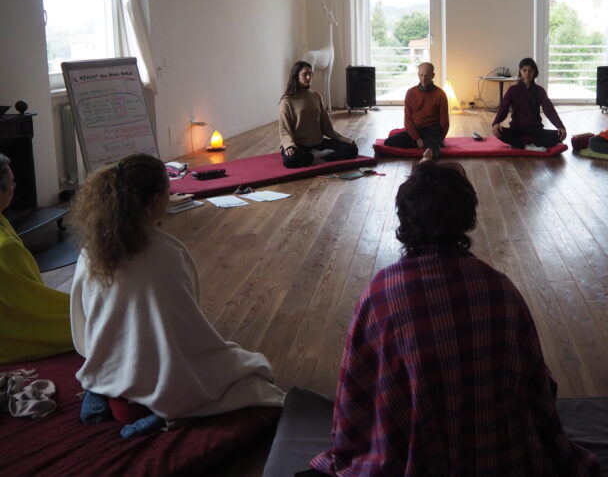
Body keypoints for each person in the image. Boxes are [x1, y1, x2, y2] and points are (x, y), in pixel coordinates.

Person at [310, 161, 599, 475]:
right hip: (503, 458)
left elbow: (355, 392)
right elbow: (538, 385)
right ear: (466, 218)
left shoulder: (382, 294)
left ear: (405, 219)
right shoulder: (501, 289)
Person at [69, 153, 284, 436]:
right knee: (254, 371)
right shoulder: (166, 254)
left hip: (107, 372)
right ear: (157, 201)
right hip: (155, 393)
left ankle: (101, 388)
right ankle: (165, 415)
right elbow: (185, 335)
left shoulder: (91, 250)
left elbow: (82, 318)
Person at [0, 153, 73, 364]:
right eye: (11, 182)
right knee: (92, 318)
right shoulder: (6, 247)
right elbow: (31, 303)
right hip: (8, 334)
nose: (15, 186)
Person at [279, 60, 358, 168]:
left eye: (310, 74)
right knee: (290, 161)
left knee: (352, 150)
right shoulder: (287, 101)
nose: (308, 77)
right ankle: (317, 156)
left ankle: (317, 157)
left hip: (318, 143)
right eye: (304, 74)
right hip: (298, 144)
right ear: (296, 76)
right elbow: (284, 129)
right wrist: (289, 145)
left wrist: (345, 140)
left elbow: (326, 127)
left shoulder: (316, 96)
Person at [491, 57, 567, 151]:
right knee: (499, 131)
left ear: (534, 72)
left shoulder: (540, 90)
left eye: (530, 70)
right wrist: (496, 123)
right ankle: (530, 146)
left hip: (536, 131)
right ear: (520, 71)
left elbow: (549, 110)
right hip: (517, 130)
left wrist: (560, 126)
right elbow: (503, 108)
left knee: (559, 135)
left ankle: (521, 145)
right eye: (524, 70)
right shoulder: (512, 90)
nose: (527, 73)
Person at [383, 62, 450, 160]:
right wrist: (417, 138)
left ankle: (429, 149)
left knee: (432, 150)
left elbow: (445, 122)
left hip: (432, 130)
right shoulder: (410, 92)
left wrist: (440, 138)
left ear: (433, 75)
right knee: (389, 142)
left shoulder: (440, 94)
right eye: (421, 75)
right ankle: (425, 144)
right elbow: (408, 119)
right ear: (418, 75)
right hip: (416, 129)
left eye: (427, 76)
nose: (423, 79)